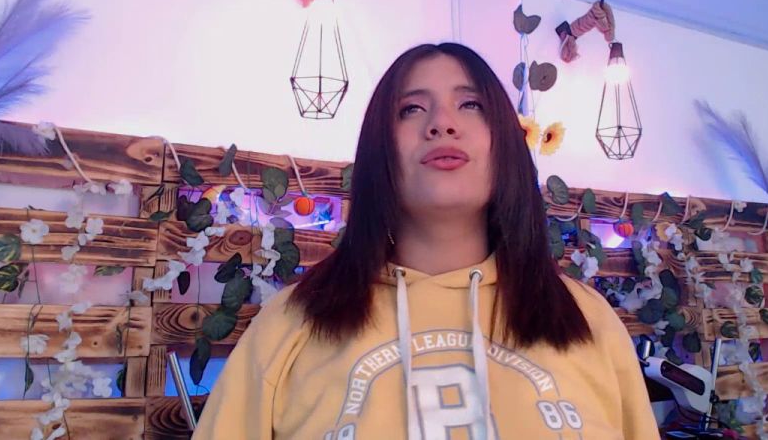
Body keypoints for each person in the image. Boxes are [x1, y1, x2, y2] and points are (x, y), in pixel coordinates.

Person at [192, 43, 659, 439]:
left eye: (471, 105)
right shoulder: (293, 320)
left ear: (504, 143)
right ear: (379, 150)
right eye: (411, 109)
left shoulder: (587, 318)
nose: (442, 124)